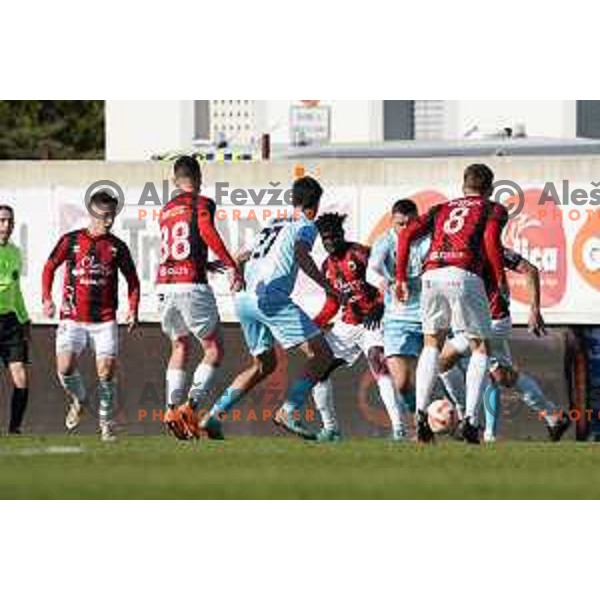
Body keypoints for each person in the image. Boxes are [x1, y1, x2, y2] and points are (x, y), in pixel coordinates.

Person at [200, 176, 337, 440]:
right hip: (271, 299)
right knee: (322, 354)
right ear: (315, 206)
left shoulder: (273, 222)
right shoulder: (306, 225)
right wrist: (326, 286)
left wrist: (223, 267)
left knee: (264, 364)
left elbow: (241, 256)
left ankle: (214, 417)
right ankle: (288, 410)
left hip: (244, 300)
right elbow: (301, 253)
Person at [396, 163, 508, 444]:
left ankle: (420, 414)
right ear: (490, 188)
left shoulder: (441, 208)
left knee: (432, 343)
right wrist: (499, 278)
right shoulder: (492, 208)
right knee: (480, 345)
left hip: (431, 274)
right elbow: (491, 241)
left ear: (463, 186)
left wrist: (399, 277)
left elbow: (406, 233)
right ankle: (471, 420)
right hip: (464, 273)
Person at [439, 248, 571, 442]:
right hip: (477, 322)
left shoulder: (492, 249)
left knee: (444, 362)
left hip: (491, 322)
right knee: (503, 375)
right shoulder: (454, 250)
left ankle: (468, 421)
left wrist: (534, 309)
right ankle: (554, 417)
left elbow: (531, 270)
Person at [156, 156, 243, 440]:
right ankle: (190, 407)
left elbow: (176, 246)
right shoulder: (202, 203)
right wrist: (231, 265)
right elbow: (206, 232)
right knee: (214, 349)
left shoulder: (166, 209)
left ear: (174, 180)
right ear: (199, 177)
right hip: (190, 286)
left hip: (165, 285)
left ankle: (170, 408)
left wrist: (204, 263)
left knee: (179, 346)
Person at [42, 190, 140, 442]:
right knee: (64, 368)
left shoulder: (117, 247)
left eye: (112, 216)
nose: (109, 221)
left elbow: (133, 280)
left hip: (104, 319)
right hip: (72, 317)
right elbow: (50, 266)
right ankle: (80, 398)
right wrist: (46, 298)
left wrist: (133, 308)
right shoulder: (71, 241)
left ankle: (106, 423)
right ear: (92, 212)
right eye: (105, 216)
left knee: (106, 372)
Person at [311, 212, 406, 442]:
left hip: (374, 321)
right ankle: (331, 428)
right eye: (326, 239)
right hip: (348, 324)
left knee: (377, 361)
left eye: (334, 236)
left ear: (342, 234)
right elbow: (333, 303)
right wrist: (312, 326)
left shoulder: (360, 253)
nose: (330, 242)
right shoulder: (326, 266)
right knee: (318, 371)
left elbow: (389, 279)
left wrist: (381, 304)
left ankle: (399, 429)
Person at [367, 199, 430, 435]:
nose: (405, 229)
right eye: (400, 224)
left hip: (428, 317)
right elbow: (373, 266)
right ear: (392, 221)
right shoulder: (385, 241)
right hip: (397, 319)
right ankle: (420, 422)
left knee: (447, 369)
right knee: (402, 383)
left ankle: (466, 421)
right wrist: (389, 281)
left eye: (410, 223)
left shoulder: (427, 241)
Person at [0, 205, 31, 434]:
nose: (6, 226)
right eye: (1, 221)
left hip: (11, 323)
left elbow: (16, 290)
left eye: (9, 221)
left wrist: (25, 318)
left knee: (20, 376)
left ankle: (14, 428)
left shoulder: (15, 252)